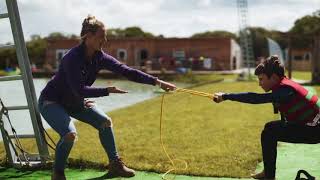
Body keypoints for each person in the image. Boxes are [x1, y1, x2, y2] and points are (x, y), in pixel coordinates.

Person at [38, 15, 176, 180]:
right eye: (101, 36)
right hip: (52, 101)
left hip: (75, 101)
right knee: (69, 134)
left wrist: (157, 82)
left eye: (105, 36)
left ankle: (115, 165)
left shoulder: (100, 57)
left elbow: (126, 71)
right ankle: (58, 173)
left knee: (105, 122)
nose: (105, 39)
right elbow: (79, 90)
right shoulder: (71, 58)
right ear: (88, 36)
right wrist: (107, 90)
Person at [213, 55, 320, 180]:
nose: (259, 84)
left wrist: (226, 96)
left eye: (261, 79)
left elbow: (255, 98)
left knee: (270, 131)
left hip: (315, 131)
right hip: (312, 128)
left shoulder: (285, 91)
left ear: (274, 78)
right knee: (270, 129)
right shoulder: (283, 86)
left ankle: (268, 176)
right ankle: (268, 172)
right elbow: (285, 117)